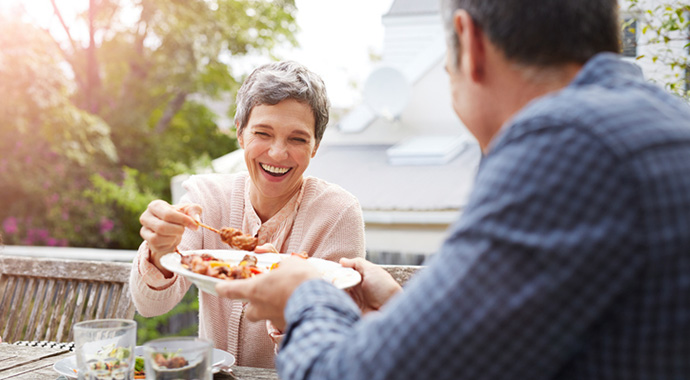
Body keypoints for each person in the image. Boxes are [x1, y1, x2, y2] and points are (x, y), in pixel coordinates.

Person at [215, 0, 690, 378]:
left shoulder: (563, 143)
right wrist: (402, 306)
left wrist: (305, 296)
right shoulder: (662, 122)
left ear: (470, 42)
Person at [129, 61, 366, 368]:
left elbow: (333, 355)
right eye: (263, 133)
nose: (278, 153)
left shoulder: (337, 214)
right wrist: (158, 252)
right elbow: (150, 305)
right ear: (240, 134)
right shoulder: (205, 198)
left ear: (315, 147)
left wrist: (288, 307)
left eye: (297, 139)